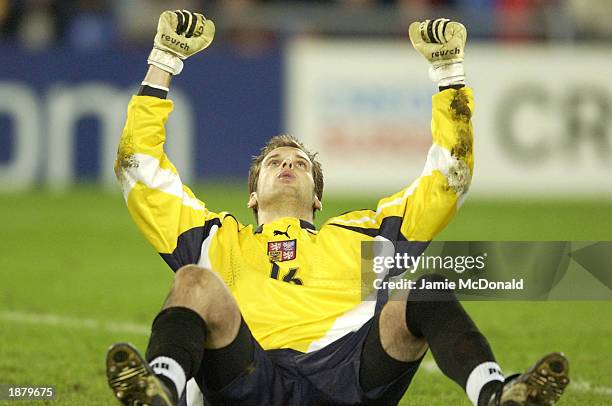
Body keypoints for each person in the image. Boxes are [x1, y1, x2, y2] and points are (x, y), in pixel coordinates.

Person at [106, 10, 569, 406]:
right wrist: (162, 63)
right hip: (249, 376)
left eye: (300, 163)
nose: (287, 163)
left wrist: (450, 77)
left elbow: (451, 178)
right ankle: (158, 390)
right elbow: (137, 168)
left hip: (349, 377)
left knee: (426, 287)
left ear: (317, 197)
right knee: (192, 281)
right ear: (252, 195)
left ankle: (496, 395)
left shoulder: (366, 238)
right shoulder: (215, 238)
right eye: (274, 162)